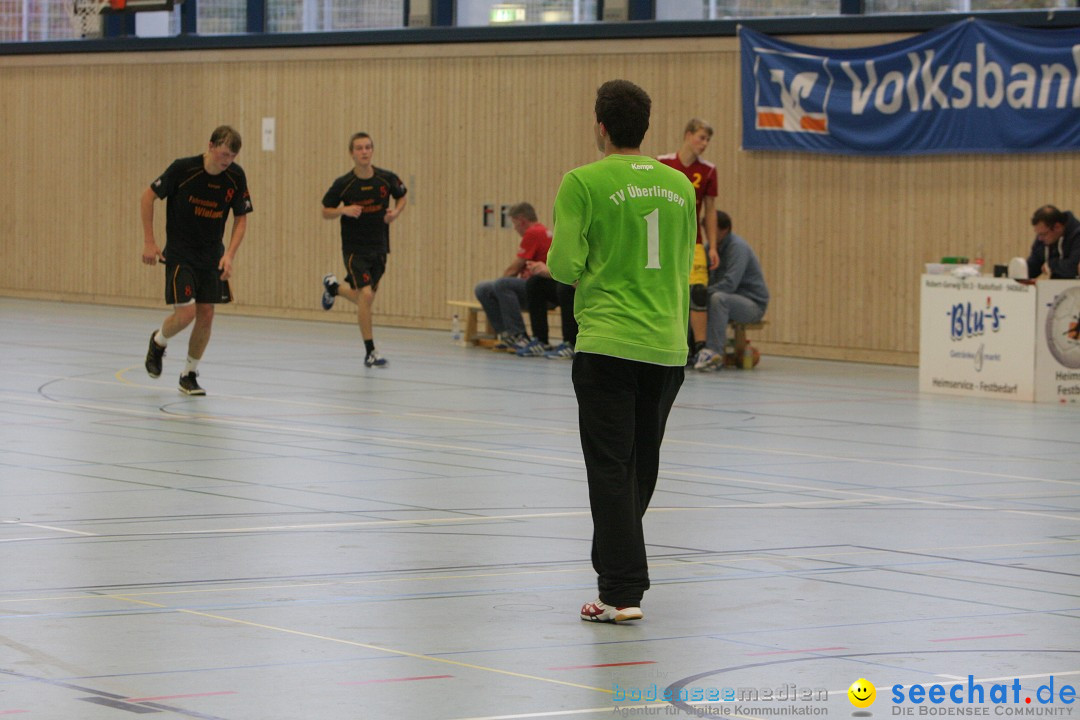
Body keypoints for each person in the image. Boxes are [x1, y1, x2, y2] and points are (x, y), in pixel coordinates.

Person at [547, 79, 696, 624]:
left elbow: (563, 266)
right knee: (640, 467)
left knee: (610, 467)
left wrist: (597, 268)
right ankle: (615, 569)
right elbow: (683, 260)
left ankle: (621, 590)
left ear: (601, 126)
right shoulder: (680, 186)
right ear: (647, 128)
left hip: (608, 342)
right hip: (665, 345)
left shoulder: (582, 181)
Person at [141, 125, 253, 396]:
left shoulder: (235, 177)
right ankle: (159, 341)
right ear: (211, 146)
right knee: (186, 313)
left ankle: (189, 374)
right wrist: (149, 241)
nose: (226, 161)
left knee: (207, 314)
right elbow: (148, 197)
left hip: (212, 255)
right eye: (223, 154)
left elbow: (241, 218)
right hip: (180, 254)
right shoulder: (183, 169)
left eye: (232, 157)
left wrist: (229, 255)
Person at [320, 132, 408, 368]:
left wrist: (396, 213)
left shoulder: (386, 179)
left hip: (379, 246)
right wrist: (343, 210)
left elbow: (402, 196)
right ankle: (370, 352)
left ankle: (334, 288)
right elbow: (325, 210)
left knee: (364, 299)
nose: (364, 152)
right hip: (354, 248)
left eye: (368, 147)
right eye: (359, 148)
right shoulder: (344, 183)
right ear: (352, 153)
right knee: (366, 296)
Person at [657, 119, 720, 363]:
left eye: (707, 140)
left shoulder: (708, 171)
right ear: (687, 135)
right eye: (701, 137)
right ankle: (667, 342)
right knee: (666, 291)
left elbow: (711, 210)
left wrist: (712, 246)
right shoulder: (663, 163)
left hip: (693, 242)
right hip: (664, 241)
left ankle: (701, 347)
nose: (704, 144)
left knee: (698, 292)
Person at [694, 211, 770, 372]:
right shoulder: (709, 249)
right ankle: (693, 350)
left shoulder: (737, 248)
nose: (707, 233)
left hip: (752, 304)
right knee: (695, 298)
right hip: (729, 298)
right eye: (705, 229)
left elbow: (730, 284)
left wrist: (704, 292)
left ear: (724, 229)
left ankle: (714, 354)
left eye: (710, 229)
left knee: (717, 299)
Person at [472, 202, 552, 350]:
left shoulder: (533, 232)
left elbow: (513, 269)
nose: (515, 228)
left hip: (537, 288)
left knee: (501, 284)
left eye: (514, 224)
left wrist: (500, 283)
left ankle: (518, 334)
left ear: (522, 220)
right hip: (536, 286)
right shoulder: (542, 230)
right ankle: (507, 334)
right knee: (483, 288)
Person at [515, 260, 578, 358]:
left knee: (566, 287)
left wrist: (550, 271)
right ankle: (541, 340)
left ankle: (571, 343)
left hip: (589, 282)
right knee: (535, 283)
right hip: (569, 277)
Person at [1026, 205, 1080, 280]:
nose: (1040, 239)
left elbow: (1074, 267)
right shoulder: (1042, 238)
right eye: (1038, 234)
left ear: (1057, 227)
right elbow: (1033, 266)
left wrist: (1051, 265)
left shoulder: (1077, 235)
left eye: (1043, 234)